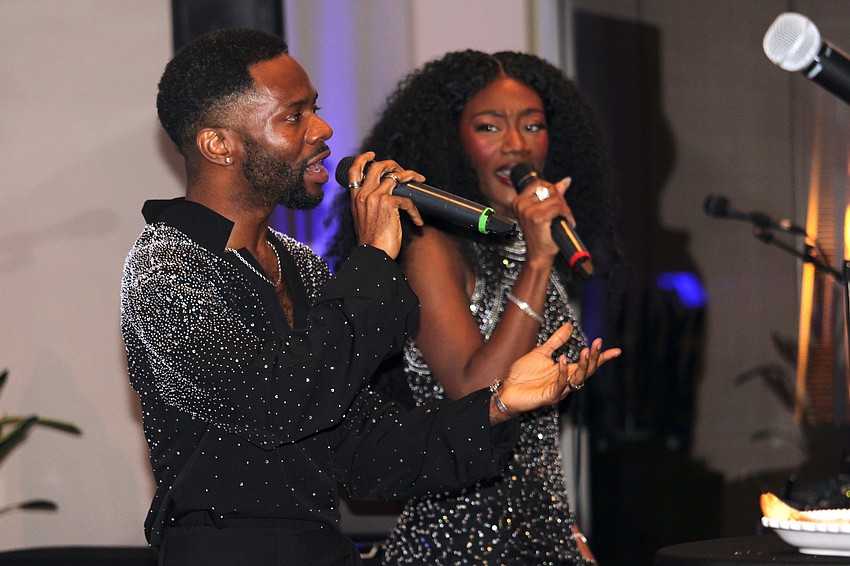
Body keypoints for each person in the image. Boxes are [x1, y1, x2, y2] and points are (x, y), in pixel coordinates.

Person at [120, 29, 620, 566]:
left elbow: (360, 449)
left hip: (320, 547)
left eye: (316, 108)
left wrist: (499, 404)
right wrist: (375, 256)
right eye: (294, 116)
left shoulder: (297, 264)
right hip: (229, 551)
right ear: (219, 145)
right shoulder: (166, 266)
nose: (324, 129)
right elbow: (278, 405)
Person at [328, 50, 622, 565]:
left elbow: (532, 434)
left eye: (533, 126)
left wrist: (564, 527)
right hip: (459, 540)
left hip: (542, 532)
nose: (516, 144)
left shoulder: (528, 245)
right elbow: (473, 390)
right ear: (453, 140)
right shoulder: (430, 243)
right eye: (489, 126)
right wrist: (536, 263)